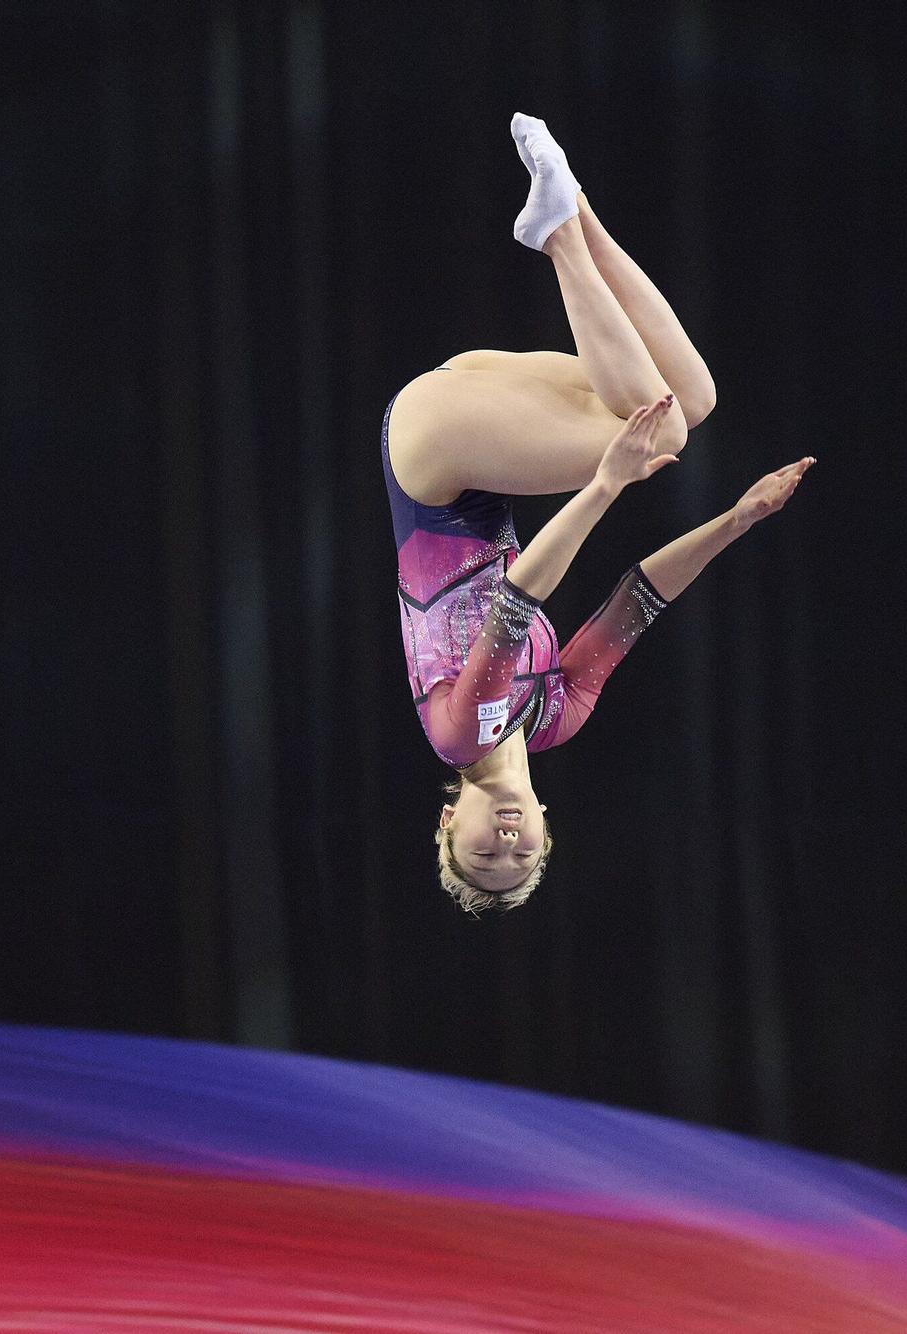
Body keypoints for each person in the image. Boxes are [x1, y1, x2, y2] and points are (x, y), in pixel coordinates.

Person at [383, 114, 813, 915]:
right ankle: (574, 207)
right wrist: (739, 520)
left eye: (484, 851)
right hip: (475, 453)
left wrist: (607, 485)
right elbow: (638, 599)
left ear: (450, 819)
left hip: (433, 463)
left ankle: (556, 237)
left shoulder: (462, 734)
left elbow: (516, 604)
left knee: (658, 432)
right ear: (547, 825)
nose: (506, 840)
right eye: (522, 853)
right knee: (688, 401)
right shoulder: (553, 717)